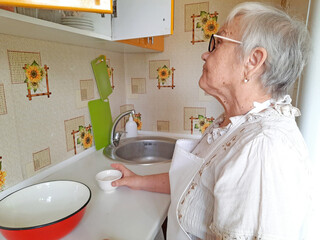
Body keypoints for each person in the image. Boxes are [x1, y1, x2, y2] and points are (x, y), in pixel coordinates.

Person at [111, 2, 311, 239]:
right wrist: (137, 181)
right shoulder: (233, 124)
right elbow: (193, 184)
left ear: (253, 60)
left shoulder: (262, 149)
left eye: (218, 43)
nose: (206, 53)